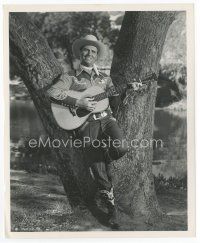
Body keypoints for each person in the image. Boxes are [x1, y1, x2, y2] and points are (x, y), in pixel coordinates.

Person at [47, 35, 141, 228]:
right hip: (86, 124)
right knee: (98, 169)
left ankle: (105, 154)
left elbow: (113, 102)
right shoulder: (70, 77)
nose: (89, 54)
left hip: (107, 120)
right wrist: (78, 102)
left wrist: (127, 90)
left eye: (93, 51)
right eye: (86, 50)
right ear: (80, 53)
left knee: (121, 148)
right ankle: (112, 211)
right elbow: (52, 93)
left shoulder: (104, 79)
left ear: (97, 55)